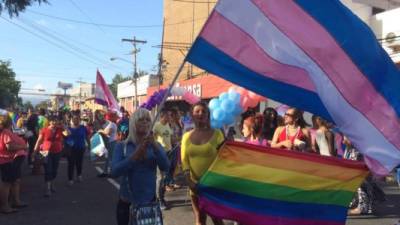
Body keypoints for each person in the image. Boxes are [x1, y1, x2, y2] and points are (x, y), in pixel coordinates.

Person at [111, 108, 169, 225]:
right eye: (141, 119)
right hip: (127, 205)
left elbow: (166, 166)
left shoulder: (155, 145)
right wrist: (134, 156)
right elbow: (115, 172)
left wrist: (155, 146)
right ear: (133, 123)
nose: (145, 122)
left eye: (148, 120)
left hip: (149, 205)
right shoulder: (122, 146)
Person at [181, 102, 225, 225]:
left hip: (213, 185)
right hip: (194, 185)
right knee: (200, 219)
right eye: (197, 111)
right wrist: (189, 182)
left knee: (217, 219)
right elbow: (184, 161)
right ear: (192, 115)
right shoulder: (185, 136)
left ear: (208, 115)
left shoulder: (217, 134)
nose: (201, 114)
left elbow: (223, 158)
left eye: (204, 111)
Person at [33, 116, 68, 197]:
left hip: (57, 152)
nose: (54, 123)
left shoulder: (60, 129)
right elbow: (39, 141)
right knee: (48, 170)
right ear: (49, 122)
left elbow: (68, 134)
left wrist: (64, 126)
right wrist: (34, 151)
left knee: (54, 170)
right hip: (45, 152)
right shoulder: (44, 130)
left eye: (56, 121)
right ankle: (48, 188)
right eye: (52, 121)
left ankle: (51, 184)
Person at [0, 115, 28, 214]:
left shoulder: (5, 132)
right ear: (9, 122)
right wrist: (22, 146)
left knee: (14, 181)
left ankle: (15, 201)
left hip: (8, 160)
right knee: (6, 183)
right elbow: (9, 146)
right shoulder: (6, 132)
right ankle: (5, 206)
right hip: (7, 160)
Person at [153, 109, 173, 209]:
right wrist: (157, 148)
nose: (170, 117)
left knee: (165, 178)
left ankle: (162, 197)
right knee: (160, 178)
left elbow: (170, 138)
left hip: (169, 153)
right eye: (169, 116)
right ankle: (158, 200)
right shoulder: (157, 125)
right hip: (161, 154)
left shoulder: (167, 125)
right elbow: (151, 138)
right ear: (163, 116)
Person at [65, 114, 90, 185]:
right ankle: (70, 179)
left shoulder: (83, 128)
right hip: (71, 149)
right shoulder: (68, 128)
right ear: (72, 120)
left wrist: (89, 145)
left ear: (79, 120)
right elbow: (64, 138)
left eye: (77, 119)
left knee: (79, 162)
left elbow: (87, 137)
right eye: (74, 119)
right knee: (71, 164)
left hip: (81, 147)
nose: (76, 120)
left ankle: (79, 175)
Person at [94, 110, 118, 178]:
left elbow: (107, 133)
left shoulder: (112, 124)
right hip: (109, 142)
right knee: (108, 158)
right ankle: (105, 171)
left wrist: (100, 130)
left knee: (110, 158)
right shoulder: (109, 124)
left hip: (112, 142)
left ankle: (112, 172)